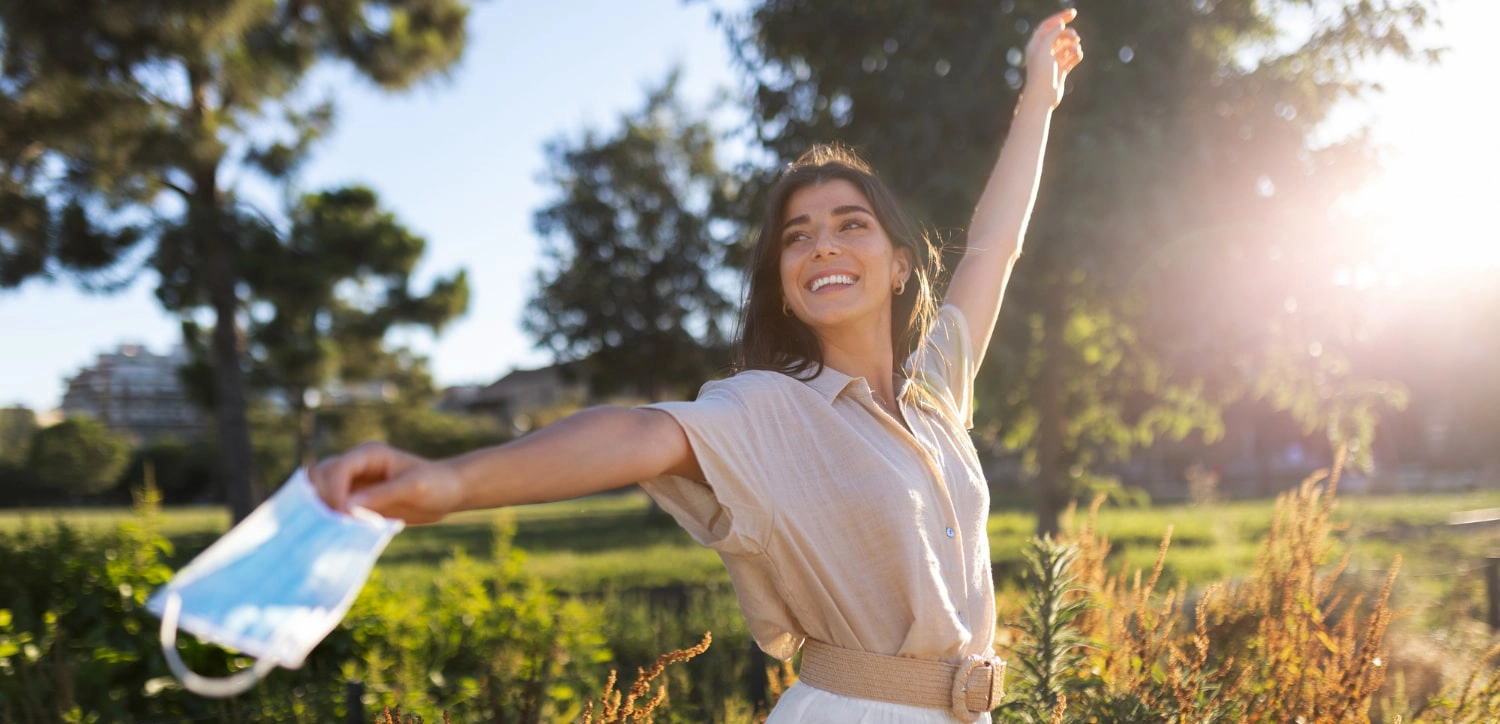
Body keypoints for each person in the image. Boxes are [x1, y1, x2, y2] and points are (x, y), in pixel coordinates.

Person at [312, 10, 1082, 723]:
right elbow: (633, 436)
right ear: (783, 279)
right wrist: (449, 482)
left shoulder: (937, 393)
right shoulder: (768, 410)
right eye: (797, 237)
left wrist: (1037, 104)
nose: (823, 246)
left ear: (901, 265)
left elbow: (993, 247)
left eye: (852, 226)